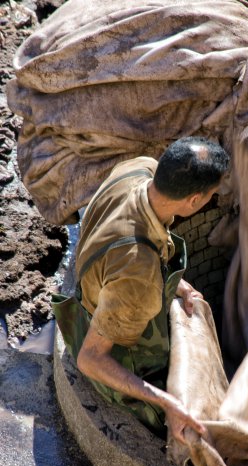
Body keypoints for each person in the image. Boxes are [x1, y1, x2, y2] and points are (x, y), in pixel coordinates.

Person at [54, 137, 230, 444]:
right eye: (211, 195)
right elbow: (91, 360)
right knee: (175, 423)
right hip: (104, 342)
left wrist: (179, 285)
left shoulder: (138, 169)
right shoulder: (138, 275)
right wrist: (167, 402)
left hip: (103, 285)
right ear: (194, 202)